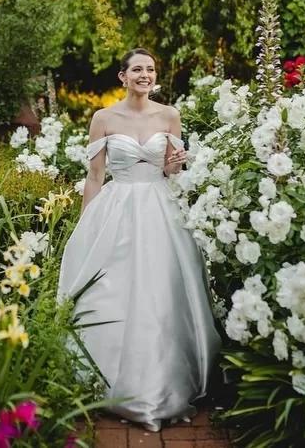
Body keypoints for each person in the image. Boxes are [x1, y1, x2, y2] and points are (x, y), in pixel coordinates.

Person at [57, 48, 222, 433]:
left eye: (149, 69)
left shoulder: (169, 115)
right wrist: (87, 223)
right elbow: (96, 177)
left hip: (161, 209)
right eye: (137, 69)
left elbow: (171, 171)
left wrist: (178, 162)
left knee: (162, 290)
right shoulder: (104, 118)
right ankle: (110, 380)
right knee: (115, 288)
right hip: (119, 208)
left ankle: (164, 380)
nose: (144, 75)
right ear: (123, 77)